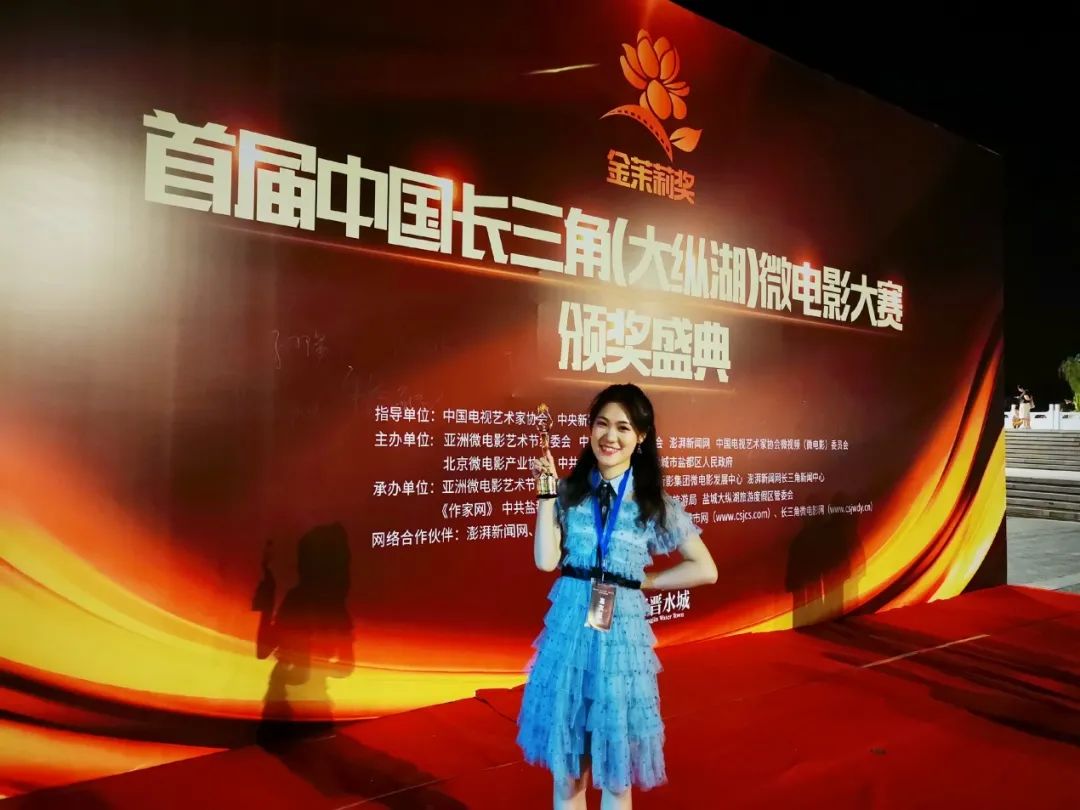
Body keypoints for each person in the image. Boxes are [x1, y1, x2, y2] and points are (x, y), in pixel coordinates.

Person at [517, 383, 718, 810]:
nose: (610, 436)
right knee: (568, 774)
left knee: (616, 775)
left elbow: (705, 568)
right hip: (570, 638)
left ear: (641, 437)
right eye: (602, 424)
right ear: (590, 429)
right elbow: (546, 561)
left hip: (621, 645)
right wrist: (546, 491)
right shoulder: (570, 492)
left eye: (623, 427)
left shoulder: (652, 502)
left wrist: (644, 582)